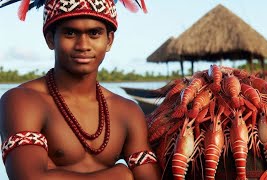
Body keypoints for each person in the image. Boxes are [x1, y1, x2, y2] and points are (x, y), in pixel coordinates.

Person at [0, 0, 161, 179]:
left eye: (94, 33)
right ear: (50, 39)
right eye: (70, 33)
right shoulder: (22, 101)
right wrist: (120, 174)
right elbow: (29, 178)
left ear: (109, 40)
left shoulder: (128, 111)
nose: (83, 45)